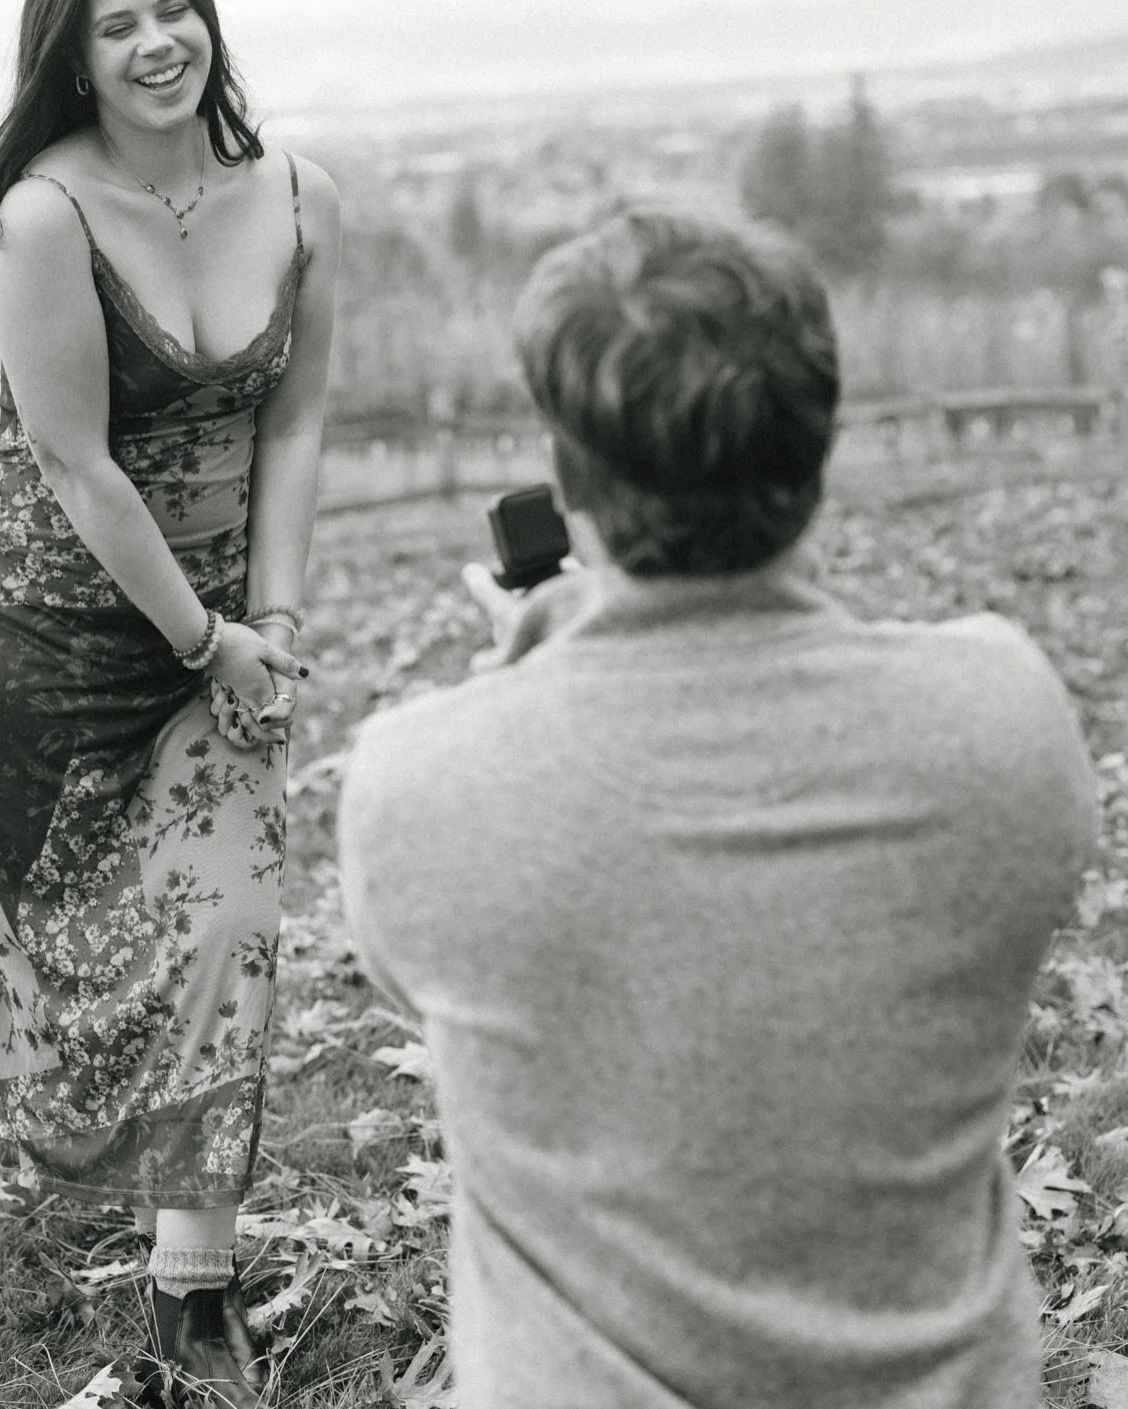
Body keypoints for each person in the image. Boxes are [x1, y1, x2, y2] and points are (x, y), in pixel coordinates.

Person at [336, 211, 1098, 1409]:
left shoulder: (416, 781)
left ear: (568, 471)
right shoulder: (1005, 717)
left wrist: (531, 670)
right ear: (817, 440)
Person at [0, 0, 338, 1406]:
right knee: (88, 972)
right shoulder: (45, 214)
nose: (157, 41)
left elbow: (292, 416)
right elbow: (79, 462)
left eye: (173, 7)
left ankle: (193, 1295)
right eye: (118, 25)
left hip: (223, 634)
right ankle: (91, 1175)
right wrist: (204, 634)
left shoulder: (297, 194)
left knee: (229, 923)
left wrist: (269, 628)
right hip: (48, 638)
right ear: (75, 56)